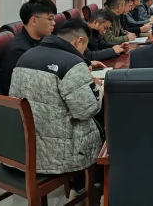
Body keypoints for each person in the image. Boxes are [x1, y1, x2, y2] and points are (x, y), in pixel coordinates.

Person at [9, 18, 104, 197]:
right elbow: (86, 110)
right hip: (58, 155)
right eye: (85, 48)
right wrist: (98, 88)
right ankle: (91, 184)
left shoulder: (26, 56)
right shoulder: (72, 63)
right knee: (104, 121)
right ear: (79, 41)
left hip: (23, 149)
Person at [0, 0, 57, 94]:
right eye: (50, 19)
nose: (54, 23)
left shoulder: (43, 40)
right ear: (34, 20)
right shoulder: (19, 51)